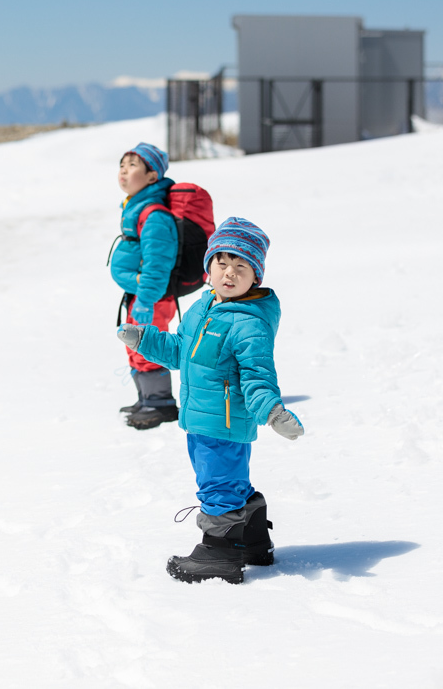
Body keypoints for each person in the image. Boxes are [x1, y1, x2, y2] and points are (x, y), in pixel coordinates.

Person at [117, 217, 305, 584]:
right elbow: (181, 352)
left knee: (217, 484)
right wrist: (144, 339)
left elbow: (257, 376)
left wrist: (272, 410)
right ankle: (250, 538)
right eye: (222, 263)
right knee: (227, 480)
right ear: (209, 267)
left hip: (224, 423)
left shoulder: (248, 324)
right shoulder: (204, 308)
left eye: (241, 266)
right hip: (202, 419)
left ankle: (219, 553)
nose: (229, 274)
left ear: (256, 276)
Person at [111, 143, 179, 430]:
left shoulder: (154, 215)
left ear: (152, 176)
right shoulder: (137, 208)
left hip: (151, 298)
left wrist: (146, 300)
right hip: (139, 295)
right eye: (122, 165)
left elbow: (158, 264)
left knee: (148, 346)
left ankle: (160, 404)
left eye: (132, 165)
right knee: (135, 346)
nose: (124, 171)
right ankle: (146, 397)